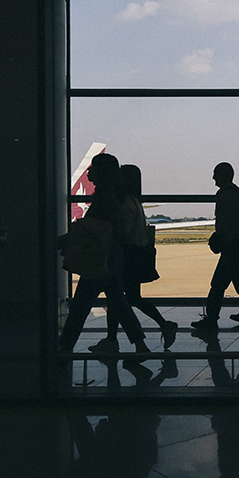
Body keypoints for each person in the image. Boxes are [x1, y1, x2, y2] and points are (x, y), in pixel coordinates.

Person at [57, 153, 152, 360]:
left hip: (101, 257)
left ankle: (64, 350)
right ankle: (140, 345)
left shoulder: (105, 198)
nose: (89, 171)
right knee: (119, 304)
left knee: (80, 307)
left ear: (103, 172)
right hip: (113, 256)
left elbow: (96, 229)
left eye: (93, 167)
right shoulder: (113, 196)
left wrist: (66, 239)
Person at [92, 164, 177, 353]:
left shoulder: (126, 203)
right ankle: (117, 338)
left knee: (118, 298)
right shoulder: (135, 201)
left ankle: (116, 339)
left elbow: (124, 232)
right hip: (134, 255)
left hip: (127, 257)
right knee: (127, 298)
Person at [191, 162, 239, 333]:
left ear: (224, 175)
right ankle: (211, 318)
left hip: (232, 247)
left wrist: (221, 238)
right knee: (220, 285)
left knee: (234, 287)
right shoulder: (232, 194)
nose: (213, 177)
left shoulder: (227, 196)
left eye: (216, 174)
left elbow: (231, 223)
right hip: (232, 246)